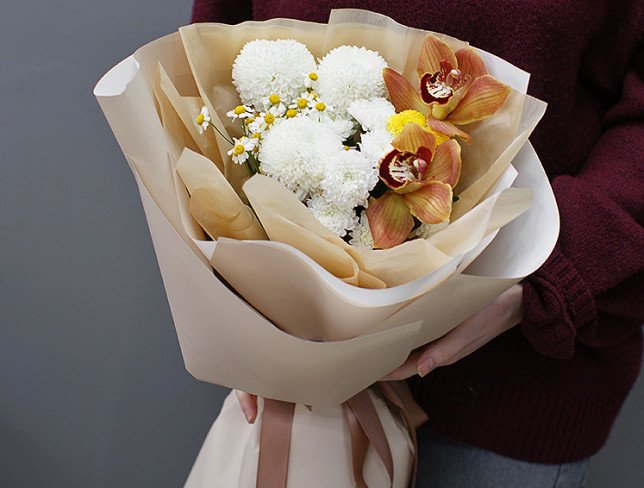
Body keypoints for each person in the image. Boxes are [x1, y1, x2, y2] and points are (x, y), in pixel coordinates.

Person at [191, 1, 643, 486]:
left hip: (511, 382)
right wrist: (234, 294)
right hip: (290, 361)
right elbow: (210, 54)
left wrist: (543, 273)